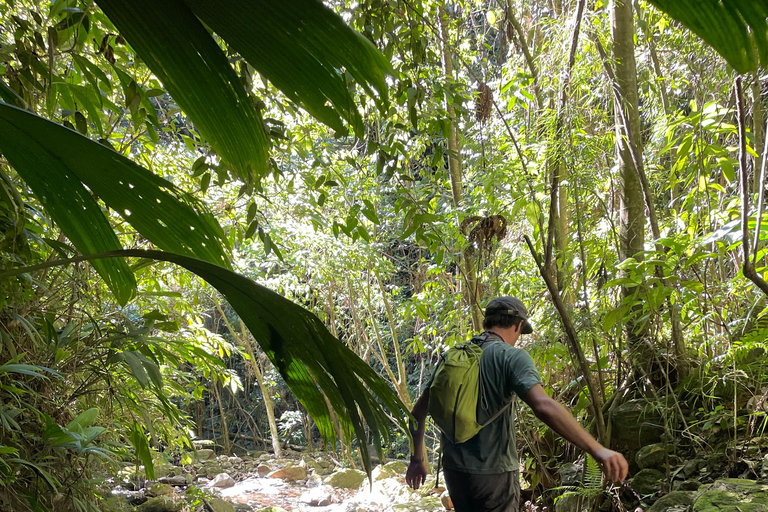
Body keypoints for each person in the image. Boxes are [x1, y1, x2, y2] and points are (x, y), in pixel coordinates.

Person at [405, 296, 628, 512]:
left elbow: (417, 414)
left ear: (488, 322)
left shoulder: (454, 356)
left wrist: (417, 459)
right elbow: (543, 406)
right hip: (494, 476)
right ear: (518, 326)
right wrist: (598, 450)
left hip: (455, 473)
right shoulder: (511, 357)